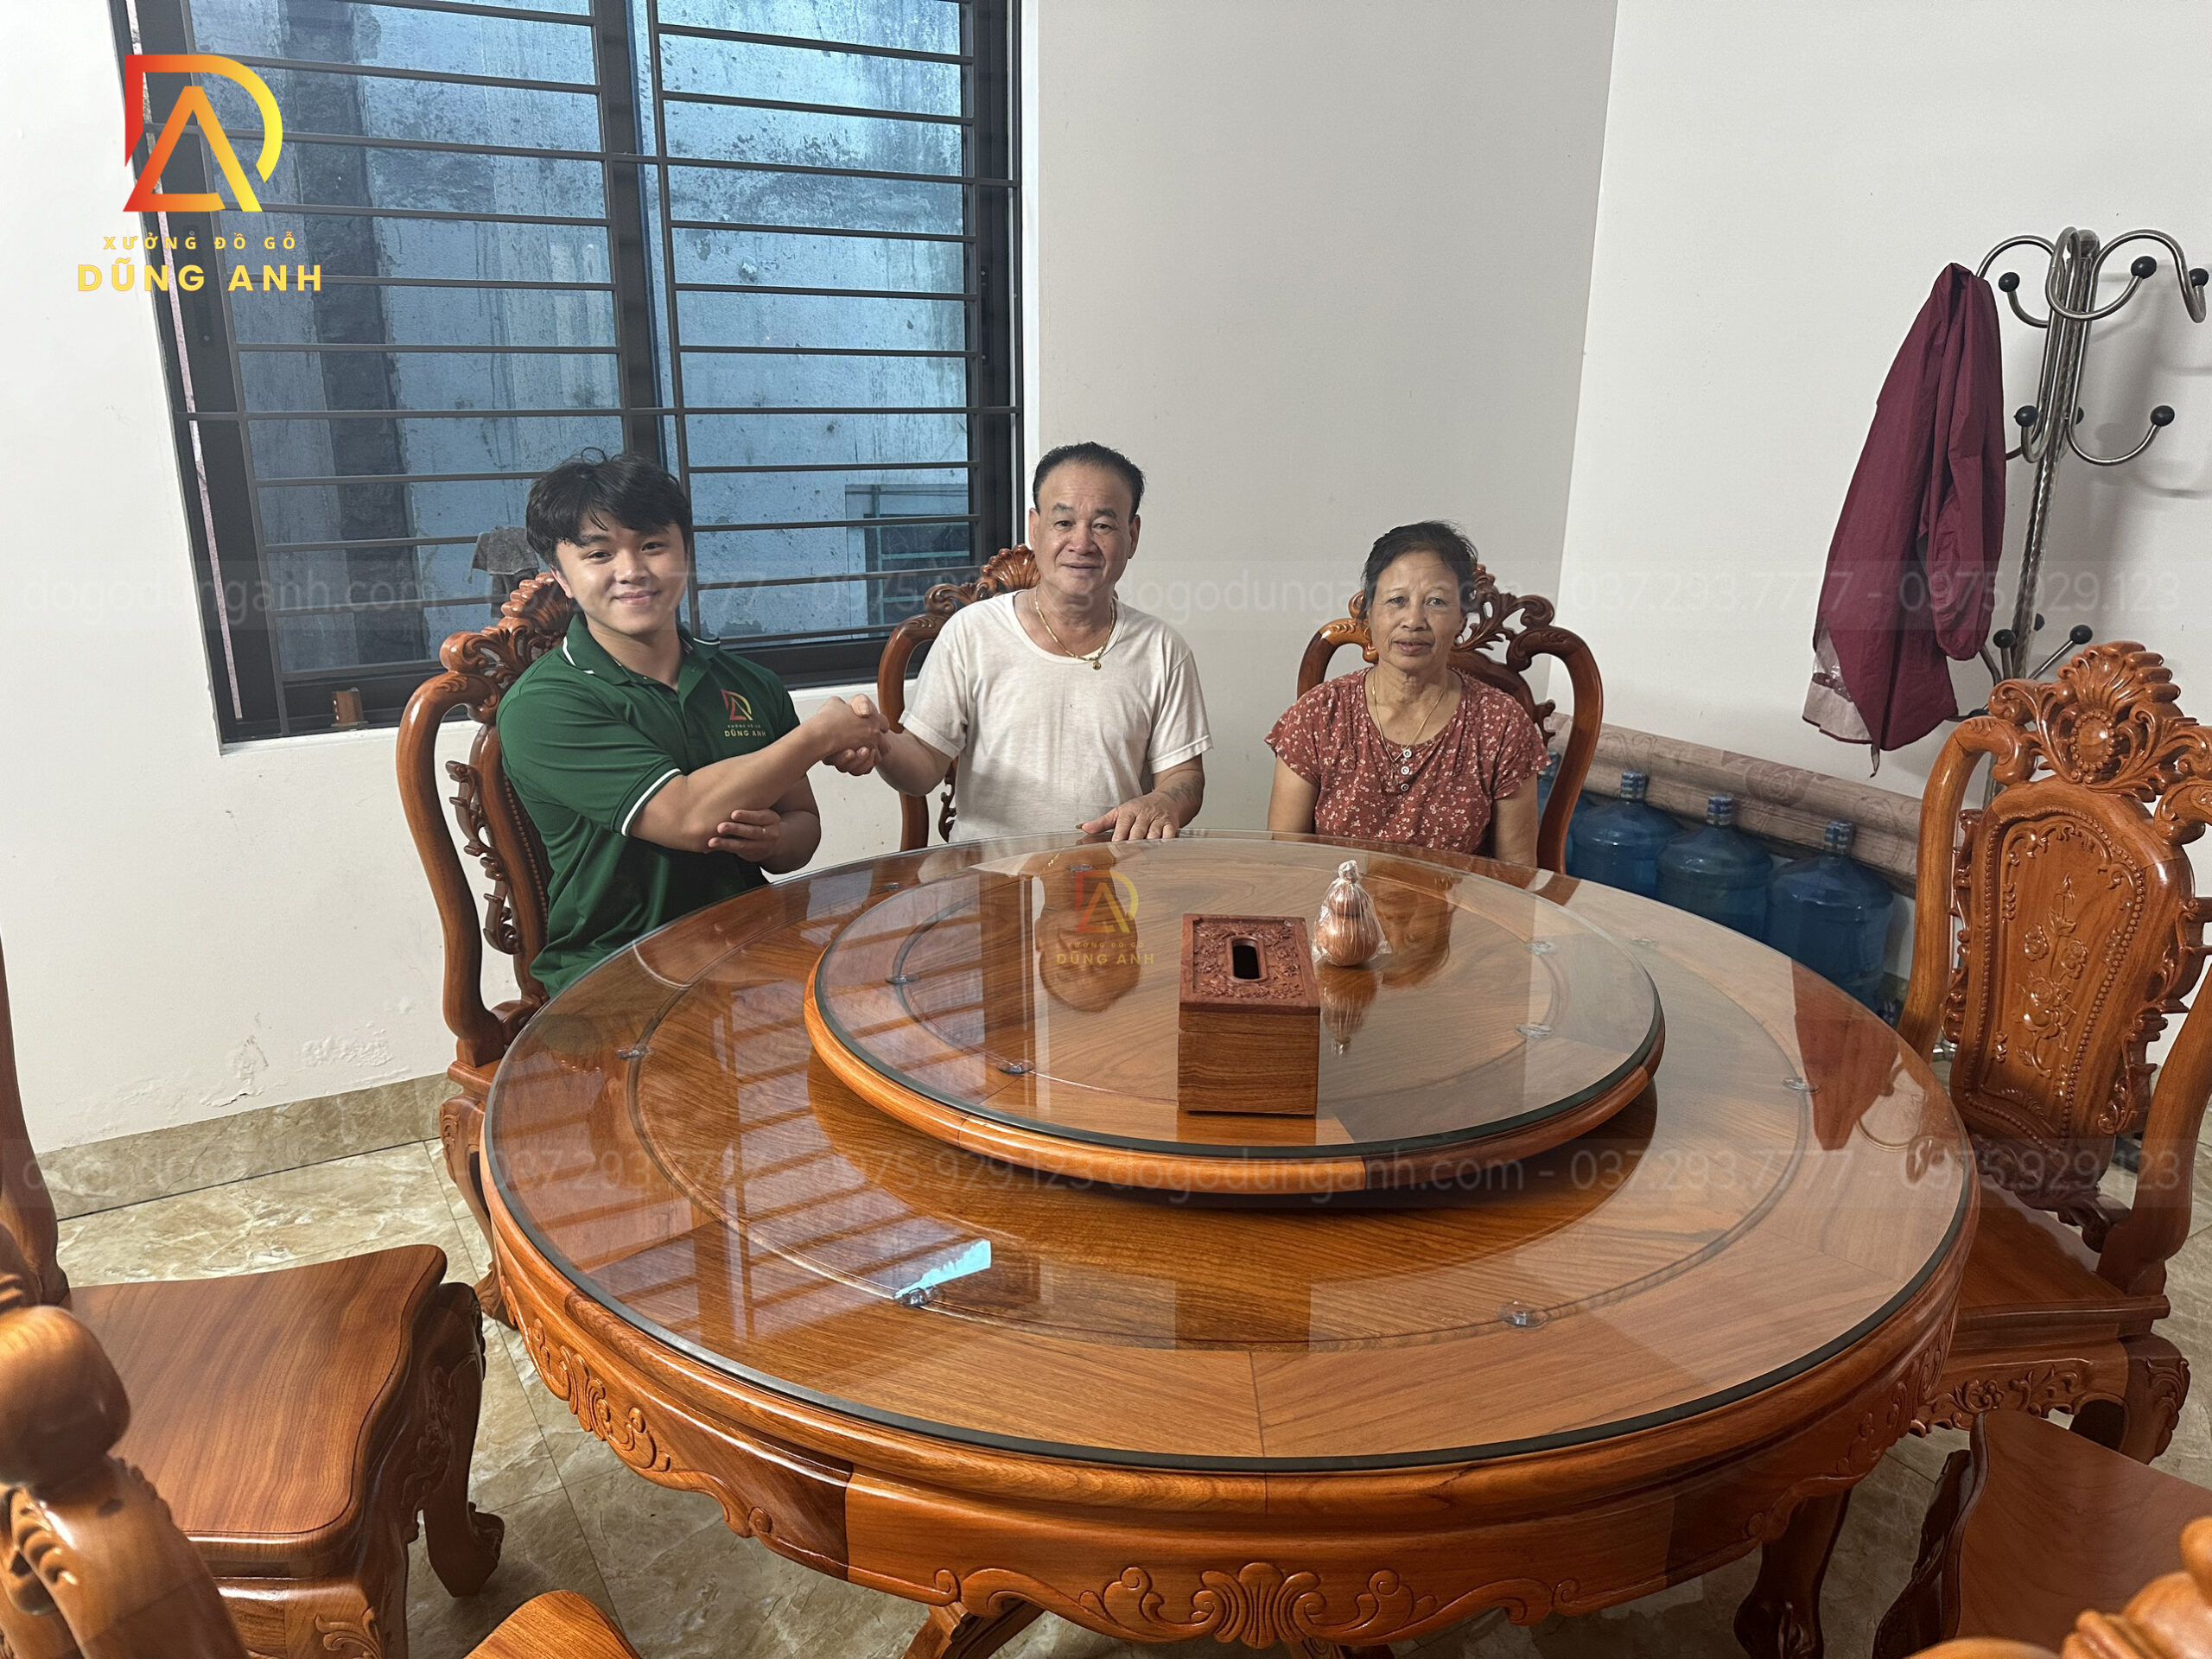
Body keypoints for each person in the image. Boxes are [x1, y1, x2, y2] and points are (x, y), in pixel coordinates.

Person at [496, 452, 885, 997]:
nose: (632, 570)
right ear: (561, 576)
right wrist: (822, 735)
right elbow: (687, 817)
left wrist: (773, 841)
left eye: (652, 545)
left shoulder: (747, 682)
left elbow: (802, 831)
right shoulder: (545, 704)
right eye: (599, 554)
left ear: (685, 553)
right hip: (615, 977)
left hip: (751, 951)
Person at [868, 442, 1211, 842]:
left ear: (1132, 536)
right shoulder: (972, 632)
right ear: (1035, 528)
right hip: (990, 873)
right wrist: (878, 743)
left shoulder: (1161, 648)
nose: (1081, 543)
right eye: (1063, 522)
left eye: (1103, 525)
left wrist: (1164, 801)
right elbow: (924, 764)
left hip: (1111, 873)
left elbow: (1184, 776)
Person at [1266, 522, 1544, 864]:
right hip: (1336, 898)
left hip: (1456, 901)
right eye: (1397, 600)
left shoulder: (1501, 725)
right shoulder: (1319, 715)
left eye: (1436, 602)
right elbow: (1286, 861)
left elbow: (1516, 875)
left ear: (1461, 618)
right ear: (1368, 611)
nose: (1414, 620)